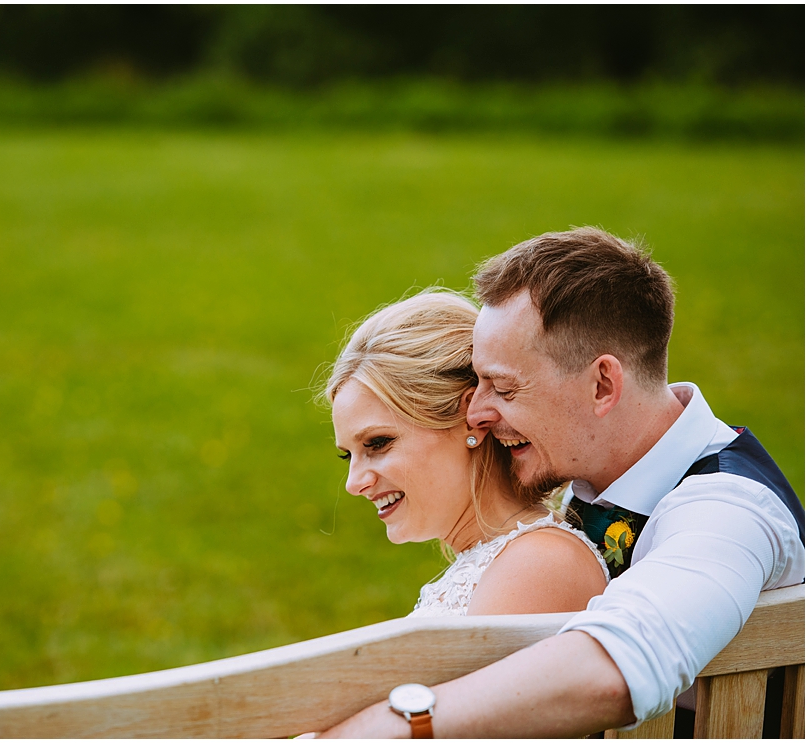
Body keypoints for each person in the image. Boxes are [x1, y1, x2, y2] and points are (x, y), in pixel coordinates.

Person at [315, 227, 805, 738]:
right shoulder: (592, 480)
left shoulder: (728, 509)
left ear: (602, 385)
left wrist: (390, 725)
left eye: (503, 387)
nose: (477, 413)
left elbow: (619, 669)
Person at [325, 289, 609, 618]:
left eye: (378, 443)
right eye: (348, 455)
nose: (354, 483)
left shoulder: (541, 563)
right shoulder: (505, 562)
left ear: (471, 419)